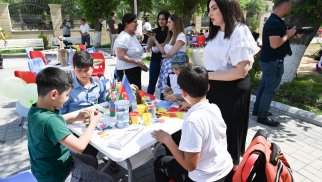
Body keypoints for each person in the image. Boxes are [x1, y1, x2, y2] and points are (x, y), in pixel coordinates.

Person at [152, 66, 233, 182]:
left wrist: (167, 140)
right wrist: (189, 104)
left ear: (183, 92)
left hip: (205, 178)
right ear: (208, 87)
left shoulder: (192, 120)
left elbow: (190, 166)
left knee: (160, 161)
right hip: (225, 169)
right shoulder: (214, 108)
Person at [204, 0, 260, 167]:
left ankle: (232, 170)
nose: (210, 13)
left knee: (229, 137)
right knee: (216, 135)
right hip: (215, 86)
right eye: (209, 9)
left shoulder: (239, 31)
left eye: (214, 8)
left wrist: (206, 75)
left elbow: (241, 71)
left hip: (231, 91)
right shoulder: (217, 31)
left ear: (227, 8)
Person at [27, 67, 102, 182]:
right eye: (67, 95)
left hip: (42, 169)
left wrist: (76, 117)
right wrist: (93, 123)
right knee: (106, 179)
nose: (67, 99)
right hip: (58, 175)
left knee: (91, 160)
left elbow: (57, 120)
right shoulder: (50, 121)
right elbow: (79, 147)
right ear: (54, 94)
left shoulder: (36, 110)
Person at [252, 0, 299, 127]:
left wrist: (289, 35)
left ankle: (257, 110)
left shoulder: (275, 21)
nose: (290, 8)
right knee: (269, 89)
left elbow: (278, 38)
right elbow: (275, 44)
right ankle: (262, 116)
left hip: (269, 60)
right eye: (289, 5)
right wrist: (288, 35)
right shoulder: (274, 22)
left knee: (264, 86)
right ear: (285, 6)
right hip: (273, 62)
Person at [149, 14, 187, 99]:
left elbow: (170, 54)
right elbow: (163, 52)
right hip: (166, 67)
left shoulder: (181, 36)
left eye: (169, 22)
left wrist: (165, 56)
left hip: (174, 68)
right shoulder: (171, 36)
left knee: (172, 92)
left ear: (175, 23)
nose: (167, 24)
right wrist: (155, 40)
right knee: (165, 91)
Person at [114, 13, 148, 90]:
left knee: (136, 97)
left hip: (134, 71)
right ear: (126, 23)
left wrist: (140, 64)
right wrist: (138, 62)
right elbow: (120, 55)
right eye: (135, 22)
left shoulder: (132, 36)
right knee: (130, 97)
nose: (137, 24)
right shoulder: (123, 37)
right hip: (126, 72)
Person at [146, 10, 170, 95]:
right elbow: (149, 46)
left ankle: (163, 105)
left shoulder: (170, 32)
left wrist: (157, 44)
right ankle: (148, 101)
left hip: (166, 62)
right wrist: (150, 38)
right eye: (159, 19)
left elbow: (166, 44)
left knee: (164, 86)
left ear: (167, 20)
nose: (161, 21)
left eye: (163, 19)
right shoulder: (155, 30)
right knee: (152, 83)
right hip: (155, 60)